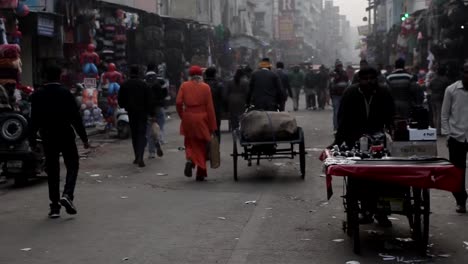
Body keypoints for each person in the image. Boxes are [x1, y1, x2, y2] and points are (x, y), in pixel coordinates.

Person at [333, 67, 395, 226]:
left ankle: (382, 213)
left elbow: (391, 116)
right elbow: (343, 119)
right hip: (355, 137)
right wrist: (338, 142)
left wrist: (394, 135)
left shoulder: (384, 93)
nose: (368, 81)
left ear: (376, 79)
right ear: (359, 80)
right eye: (365, 78)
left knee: (384, 175)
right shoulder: (350, 93)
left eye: (371, 78)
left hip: (378, 137)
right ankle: (364, 209)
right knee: (358, 176)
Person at [29, 64, 90, 219]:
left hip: (48, 137)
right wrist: (84, 138)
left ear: (44, 77)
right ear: (59, 77)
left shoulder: (37, 95)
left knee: (52, 170)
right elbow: (75, 118)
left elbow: (33, 120)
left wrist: (32, 140)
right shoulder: (66, 93)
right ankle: (68, 194)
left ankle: (55, 207)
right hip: (65, 135)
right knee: (73, 164)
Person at [177, 65, 217, 181]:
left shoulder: (184, 85)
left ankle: (190, 159)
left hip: (188, 116)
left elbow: (179, 102)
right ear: (200, 75)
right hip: (202, 118)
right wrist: (212, 126)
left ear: (190, 75)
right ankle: (200, 171)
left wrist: (182, 115)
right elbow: (210, 108)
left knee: (189, 142)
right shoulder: (205, 87)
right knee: (202, 145)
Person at [441, 62, 468, 214]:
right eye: (466, 72)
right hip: (456, 137)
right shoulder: (451, 90)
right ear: (461, 73)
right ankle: (461, 200)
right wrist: (448, 134)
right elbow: (445, 114)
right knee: (457, 172)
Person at [118, 65, 152, 167]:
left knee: (135, 134)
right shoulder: (144, 84)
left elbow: (120, 100)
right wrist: (150, 112)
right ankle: (141, 156)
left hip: (131, 113)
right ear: (139, 73)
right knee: (141, 134)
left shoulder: (125, 85)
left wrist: (125, 106)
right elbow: (149, 99)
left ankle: (137, 156)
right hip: (142, 113)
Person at [145, 63, 166, 158]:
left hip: (148, 108)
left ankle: (151, 152)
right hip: (159, 107)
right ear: (155, 69)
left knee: (149, 130)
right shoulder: (161, 80)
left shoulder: (143, 81)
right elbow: (165, 93)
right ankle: (159, 140)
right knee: (160, 126)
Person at [428, 65, 450, 135]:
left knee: (434, 115)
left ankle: (436, 130)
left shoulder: (433, 79)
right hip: (441, 98)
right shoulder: (445, 79)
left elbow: (429, 86)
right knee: (439, 115)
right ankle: (438, 131)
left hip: (433, 97)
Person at [204, 67, 224, 141]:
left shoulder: (202, 85)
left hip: (204, 111)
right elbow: (223, 98)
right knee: (216, 129)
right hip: (216, 111)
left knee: (205, 130)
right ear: (215, 75)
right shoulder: (219, 85)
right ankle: (216, 147)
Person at [330, 60, 349, 132]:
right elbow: (331, 85)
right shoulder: (333, 74)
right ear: (336, 67)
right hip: (335, 96)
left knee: (344, 112)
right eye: (338, 66)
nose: (339, 67)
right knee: (336, 112)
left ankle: (343, 127)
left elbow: (347, 83)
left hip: (343, 95)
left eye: (340, 66)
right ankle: (336, 127)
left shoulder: (344, 73)